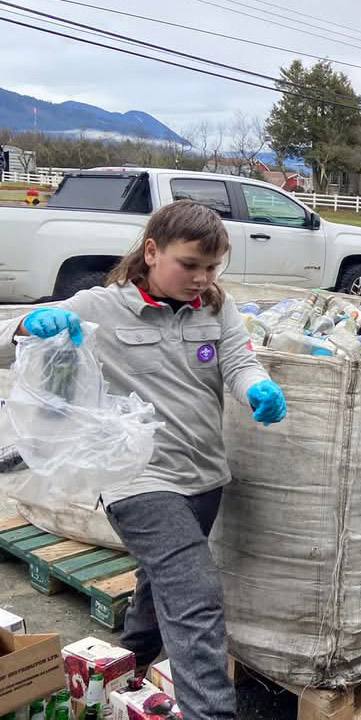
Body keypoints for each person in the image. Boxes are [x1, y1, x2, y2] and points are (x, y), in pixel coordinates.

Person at [0, 200, 287, 719]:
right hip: (137, 480)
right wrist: (26, 325)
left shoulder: (216, 306)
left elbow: (239, 362)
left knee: (161, 590)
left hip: (203, 477)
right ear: (151, 252)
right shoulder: (100, 306)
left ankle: (118, 673)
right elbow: (6, 343)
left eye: (212, 267)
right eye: (190, 265)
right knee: (195, 592)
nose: (201, 278)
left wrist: (259, 387)